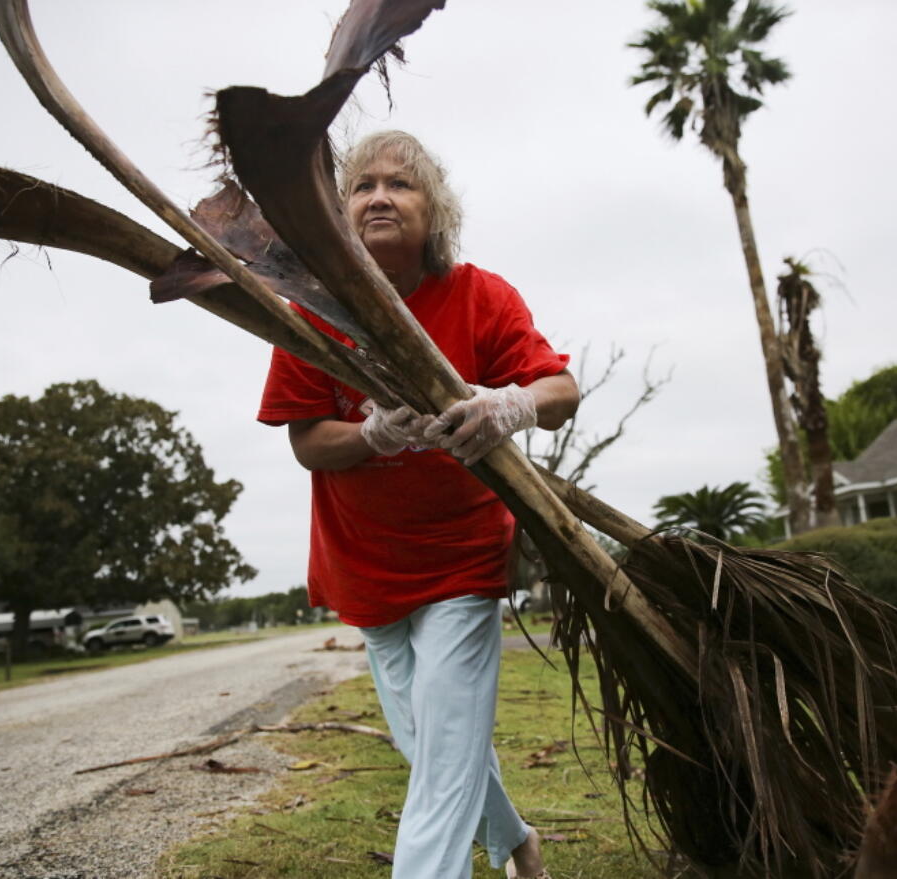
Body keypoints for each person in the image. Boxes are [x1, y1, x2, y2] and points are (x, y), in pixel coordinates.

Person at [257, 130, 577, 879]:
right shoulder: (312, 313)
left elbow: (561, 390)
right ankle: (517, 839)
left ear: (435, 212)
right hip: (365, 566)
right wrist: (371, 433)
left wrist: (510, 405)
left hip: (462, 559)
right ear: (341, 214)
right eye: (363, 185)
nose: (378, 197)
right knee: (433, 739)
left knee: (438, 765)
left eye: (400, 185)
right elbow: (307, 441)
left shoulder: (481, 295)